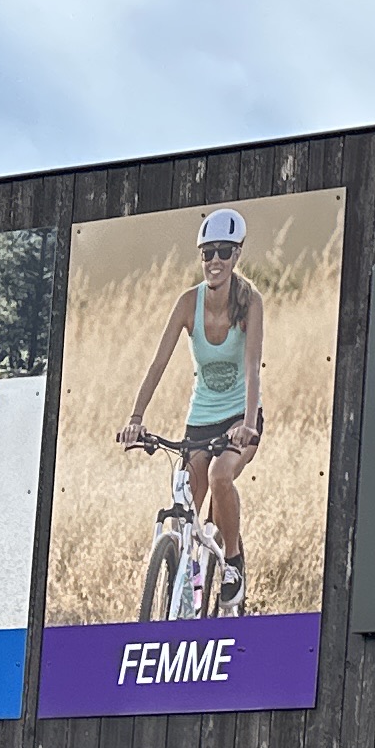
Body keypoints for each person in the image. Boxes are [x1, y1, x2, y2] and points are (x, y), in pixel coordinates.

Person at [119, 206, 264, 607]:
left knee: (220, 476)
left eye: (223, 252)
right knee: (187, 508)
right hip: (200, 420)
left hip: (239, 417)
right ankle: (186, 583)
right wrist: (135, 419)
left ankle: (232, 562)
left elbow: (253, 367)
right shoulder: (188, 303)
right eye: (207, 253)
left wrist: (248, 423)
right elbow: (158, 364)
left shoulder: (250, 302)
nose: (215, 261)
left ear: (237, 254)